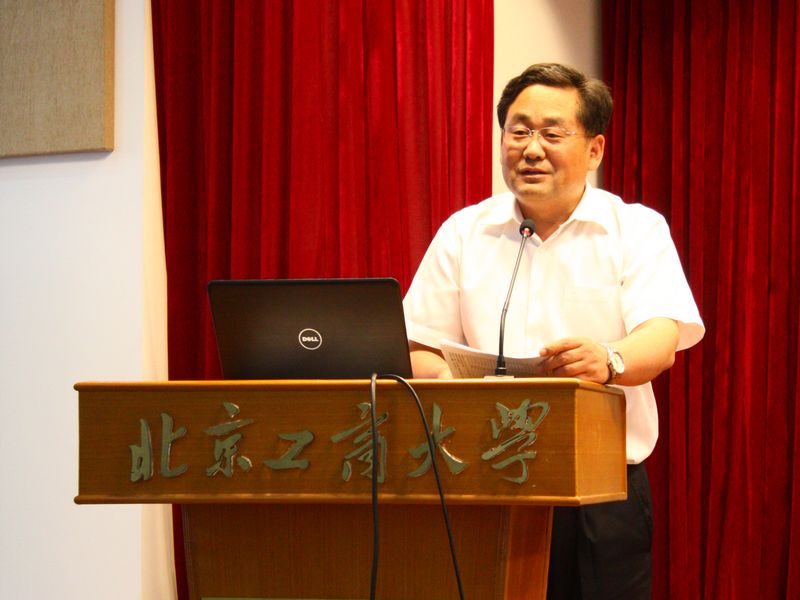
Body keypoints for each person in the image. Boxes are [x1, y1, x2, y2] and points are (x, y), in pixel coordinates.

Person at [402, 63, 704, 599]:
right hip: (482, 481)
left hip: (600, 490)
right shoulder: (464, 232)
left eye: (551, 133)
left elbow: (661, 338)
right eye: (518, 131)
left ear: (594, 149)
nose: (531, 149)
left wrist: (608, 359)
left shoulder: (635, 229)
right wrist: (454, 382)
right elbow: (415, 346)